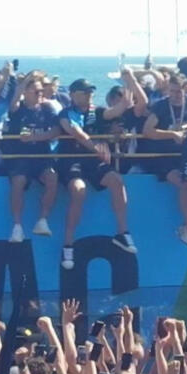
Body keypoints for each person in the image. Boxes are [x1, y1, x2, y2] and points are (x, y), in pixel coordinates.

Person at [57, 78, 136, 267]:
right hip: (72, 160)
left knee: (116, 181)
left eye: (91, 92)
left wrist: (129, 81)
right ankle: (68, 244)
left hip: (93, 162)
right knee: (79, 190)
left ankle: (122, 233)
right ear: (73, 95)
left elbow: (118, 109)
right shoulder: (66, 113)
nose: (89, 95)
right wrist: (95, 147)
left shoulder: (97, 112)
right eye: (85, 92)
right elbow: (76, 132)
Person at [142, 72, 187, 253]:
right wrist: (171, 134)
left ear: (186, 89)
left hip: (186, 154)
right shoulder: (161, 106)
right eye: (171, 91)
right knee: (184, 183)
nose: (175, 95)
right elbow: (147, 130)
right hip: (163, 157)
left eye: (178, 91)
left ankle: (186, 226)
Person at [2, 74, 61, 244]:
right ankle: (17, 226)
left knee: (52, 177)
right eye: (36, 91)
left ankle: (42, 220)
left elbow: (56, 130)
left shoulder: (47, 109)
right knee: (18, 181)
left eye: (42, 91)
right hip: (21, 157)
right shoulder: (18, 109)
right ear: (26, 92)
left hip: (42, 156)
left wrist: (38, 137)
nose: (40, 94)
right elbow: (13, 102)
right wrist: (25, 81)